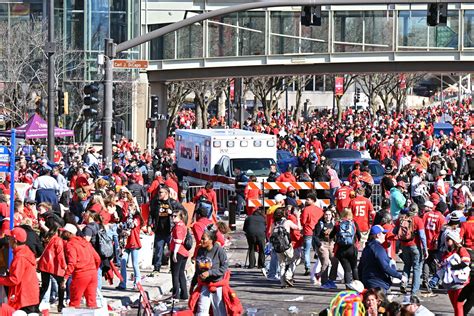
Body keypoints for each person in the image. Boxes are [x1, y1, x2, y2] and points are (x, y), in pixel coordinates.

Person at [190, 225, 229, 315]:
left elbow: (224, 268)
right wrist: (193, 285)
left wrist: (210, 272)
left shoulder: (219, 251)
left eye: (204, 239)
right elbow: (197, 270)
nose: (201, 241)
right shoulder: (200, 250)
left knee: (218, 310)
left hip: (217, 284)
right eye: (201, 238)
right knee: (201, 309)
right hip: (205, 284)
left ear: (211, 240)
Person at [60, 223, 101, 308]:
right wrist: (94, 269)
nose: (62, 233)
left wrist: (65, 278)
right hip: (93, 274)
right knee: (92, 302)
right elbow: (97, 258)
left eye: (64, 232)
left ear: (69, 233)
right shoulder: (85, 242)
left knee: (74, 303)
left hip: (80, 275)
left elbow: (72, 262)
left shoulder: (70, 245)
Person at [148, 185, 186, 275]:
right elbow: (151, 214)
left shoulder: (173, 203)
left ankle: (172, 268)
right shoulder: (156, 202)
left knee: (172, 250)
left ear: (166, 193)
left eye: (161, 192)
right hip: (159, 230)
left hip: (170, 230)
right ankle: (157, 268)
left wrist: (174, 215)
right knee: (158, 250)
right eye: (159, 192)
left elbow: (183, 211)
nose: (159, 194)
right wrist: (149, 225)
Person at [0, 227, 40, 312]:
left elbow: (14, 279)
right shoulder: (26, 250)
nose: (8, 240)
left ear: (15, 241)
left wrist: (1, 279)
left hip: (24, 297)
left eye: (9, 238)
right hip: (29, 295)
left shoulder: (20, 257)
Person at [432, 231, 470, 316]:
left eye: (448, 239)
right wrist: (441, 266)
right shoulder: (446, 252)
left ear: (453, 240)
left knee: (458, 305)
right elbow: (443, 266)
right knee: (455, 306)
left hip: (460, 283)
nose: (446, 241)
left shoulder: (461, 249)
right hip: (450, 283)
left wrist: (452, 266)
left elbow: (466, 262)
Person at [358, 225, 404, 293]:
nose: (384, 235)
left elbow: (360, 267)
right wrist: (400, 276)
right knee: (380, 302)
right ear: (378, 235)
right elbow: (385, 267)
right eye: (383, 233)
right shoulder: (378, 248)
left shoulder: (366, 248)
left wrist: (361, 281)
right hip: (378, 283)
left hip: (367, 282)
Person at [395, 205, 428, 296]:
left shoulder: (401, 219)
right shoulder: (418, 220)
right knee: (417, 268)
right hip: (415, 246)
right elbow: (422, 236)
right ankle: (414, 291)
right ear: (416, 211)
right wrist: (425, 249)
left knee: (407, 265)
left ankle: (403, 283)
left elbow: (395, 231)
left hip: (404, 245)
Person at [330, 208, 361, 287]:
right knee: (354, 268)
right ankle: (358, 286)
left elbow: (331, 236)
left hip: (341, 250)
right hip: (352, 248)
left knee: (347, 270)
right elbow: (359, 235)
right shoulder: (353, 223)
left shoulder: (338, 224)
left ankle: (348, 287)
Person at [38, 227, 66, 312]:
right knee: (61, 284)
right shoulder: (58, 240)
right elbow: (60, 255)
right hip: (54, 266)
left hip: (44, 265)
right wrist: (64, 266)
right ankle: (60, 305)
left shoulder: (48, 239)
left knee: (44, 287)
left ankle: (36, 305)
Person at [271, 208, 301, 288]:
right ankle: (288, 275)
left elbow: (270, 235)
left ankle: (282, 283)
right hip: (287, 245)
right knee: (292, 260)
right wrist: (298, 218)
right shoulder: (287, 222)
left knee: (282, 264)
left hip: (277, 247)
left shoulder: (274, 224)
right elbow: (297, 227)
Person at [117, 205, 144, 291]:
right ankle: (122, 282)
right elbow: (120, 227)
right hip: (125, 243)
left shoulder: (137, 218)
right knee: (123, 262)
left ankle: (137, 283)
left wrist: (128, 220)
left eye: (130, 209)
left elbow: (132, 225)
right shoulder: (126, 218)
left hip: (134, 243)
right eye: (128, 209)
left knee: (135, 264)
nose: (129, 211)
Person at [421, 200, 445, 294]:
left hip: (426, 242)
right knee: (436, 262)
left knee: (426, 261)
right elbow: (442, 232)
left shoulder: (427, 214)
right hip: (435, 243)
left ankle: (425, 280)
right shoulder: (442, 218)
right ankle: (437, 281)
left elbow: (421, 227)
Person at [312, 206, 338, 289]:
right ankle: (324, 282)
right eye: (326, 214)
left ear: (332, 215)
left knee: (335, 261)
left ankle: (331, 280)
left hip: (331, 244)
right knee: (325, 262)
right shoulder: (320, 224)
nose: (327, 216)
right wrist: (320, 245)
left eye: (329, 214)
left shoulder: (334, 223)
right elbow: (315, 236)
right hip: (323, 244)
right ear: (324, 215)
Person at [301, 193, 323, 276]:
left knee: (306, 250)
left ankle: (308, 267)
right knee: (318, 250)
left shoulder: (306, 209)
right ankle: (320, 267)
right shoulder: (319, 210)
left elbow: (303, 221)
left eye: (308, 199)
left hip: (308, 231)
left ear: (313, 200)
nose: (306, 201)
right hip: (317, 233)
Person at [169, 209, 189, 302]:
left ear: (180, 217)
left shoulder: (178, 227)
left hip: (178, 251)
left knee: (175, 274)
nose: (173, 217)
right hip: (184, 252)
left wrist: (175, 254)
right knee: (181, 273)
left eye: (175, 216)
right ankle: (184, 294)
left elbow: (178, 241)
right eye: (172, 216)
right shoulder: (182, 225)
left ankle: (175, 295)